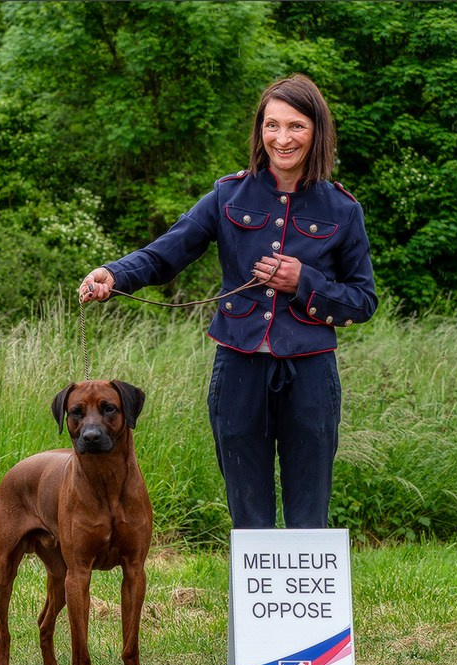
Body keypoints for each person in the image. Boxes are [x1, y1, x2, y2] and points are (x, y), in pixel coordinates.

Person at [78, 74, 377, 529]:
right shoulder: (229, 194)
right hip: (238, 366)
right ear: (260, 130)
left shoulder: (342, 209)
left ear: (317, 131)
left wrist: (304, 281)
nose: (282, 138)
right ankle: (254, 580)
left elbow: (362, 299)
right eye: (272, 125)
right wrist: (115, 273)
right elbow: (165, 253)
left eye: (296, 126)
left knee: (309, 506)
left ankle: (304, 580)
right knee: (247, 502)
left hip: (312, 370)